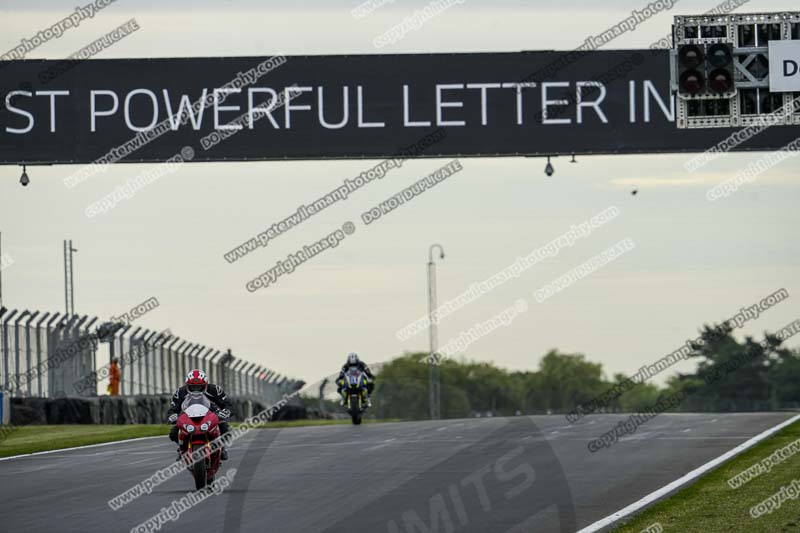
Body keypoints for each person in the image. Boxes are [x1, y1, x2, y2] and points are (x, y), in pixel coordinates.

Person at [167, 369, 231, 461]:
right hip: (188, 417)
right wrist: (172, 416)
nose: (196, 390)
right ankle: (182, 450)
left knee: (224, 428)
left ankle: (222, 447)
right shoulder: (180, 392)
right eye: (193, 387)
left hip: (210, 415)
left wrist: (225, 412)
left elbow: (227, 404)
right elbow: (173, 409)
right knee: (173, 433)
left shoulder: (215, 390)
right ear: (187, 385)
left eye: (199, 387)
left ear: (205, 385)